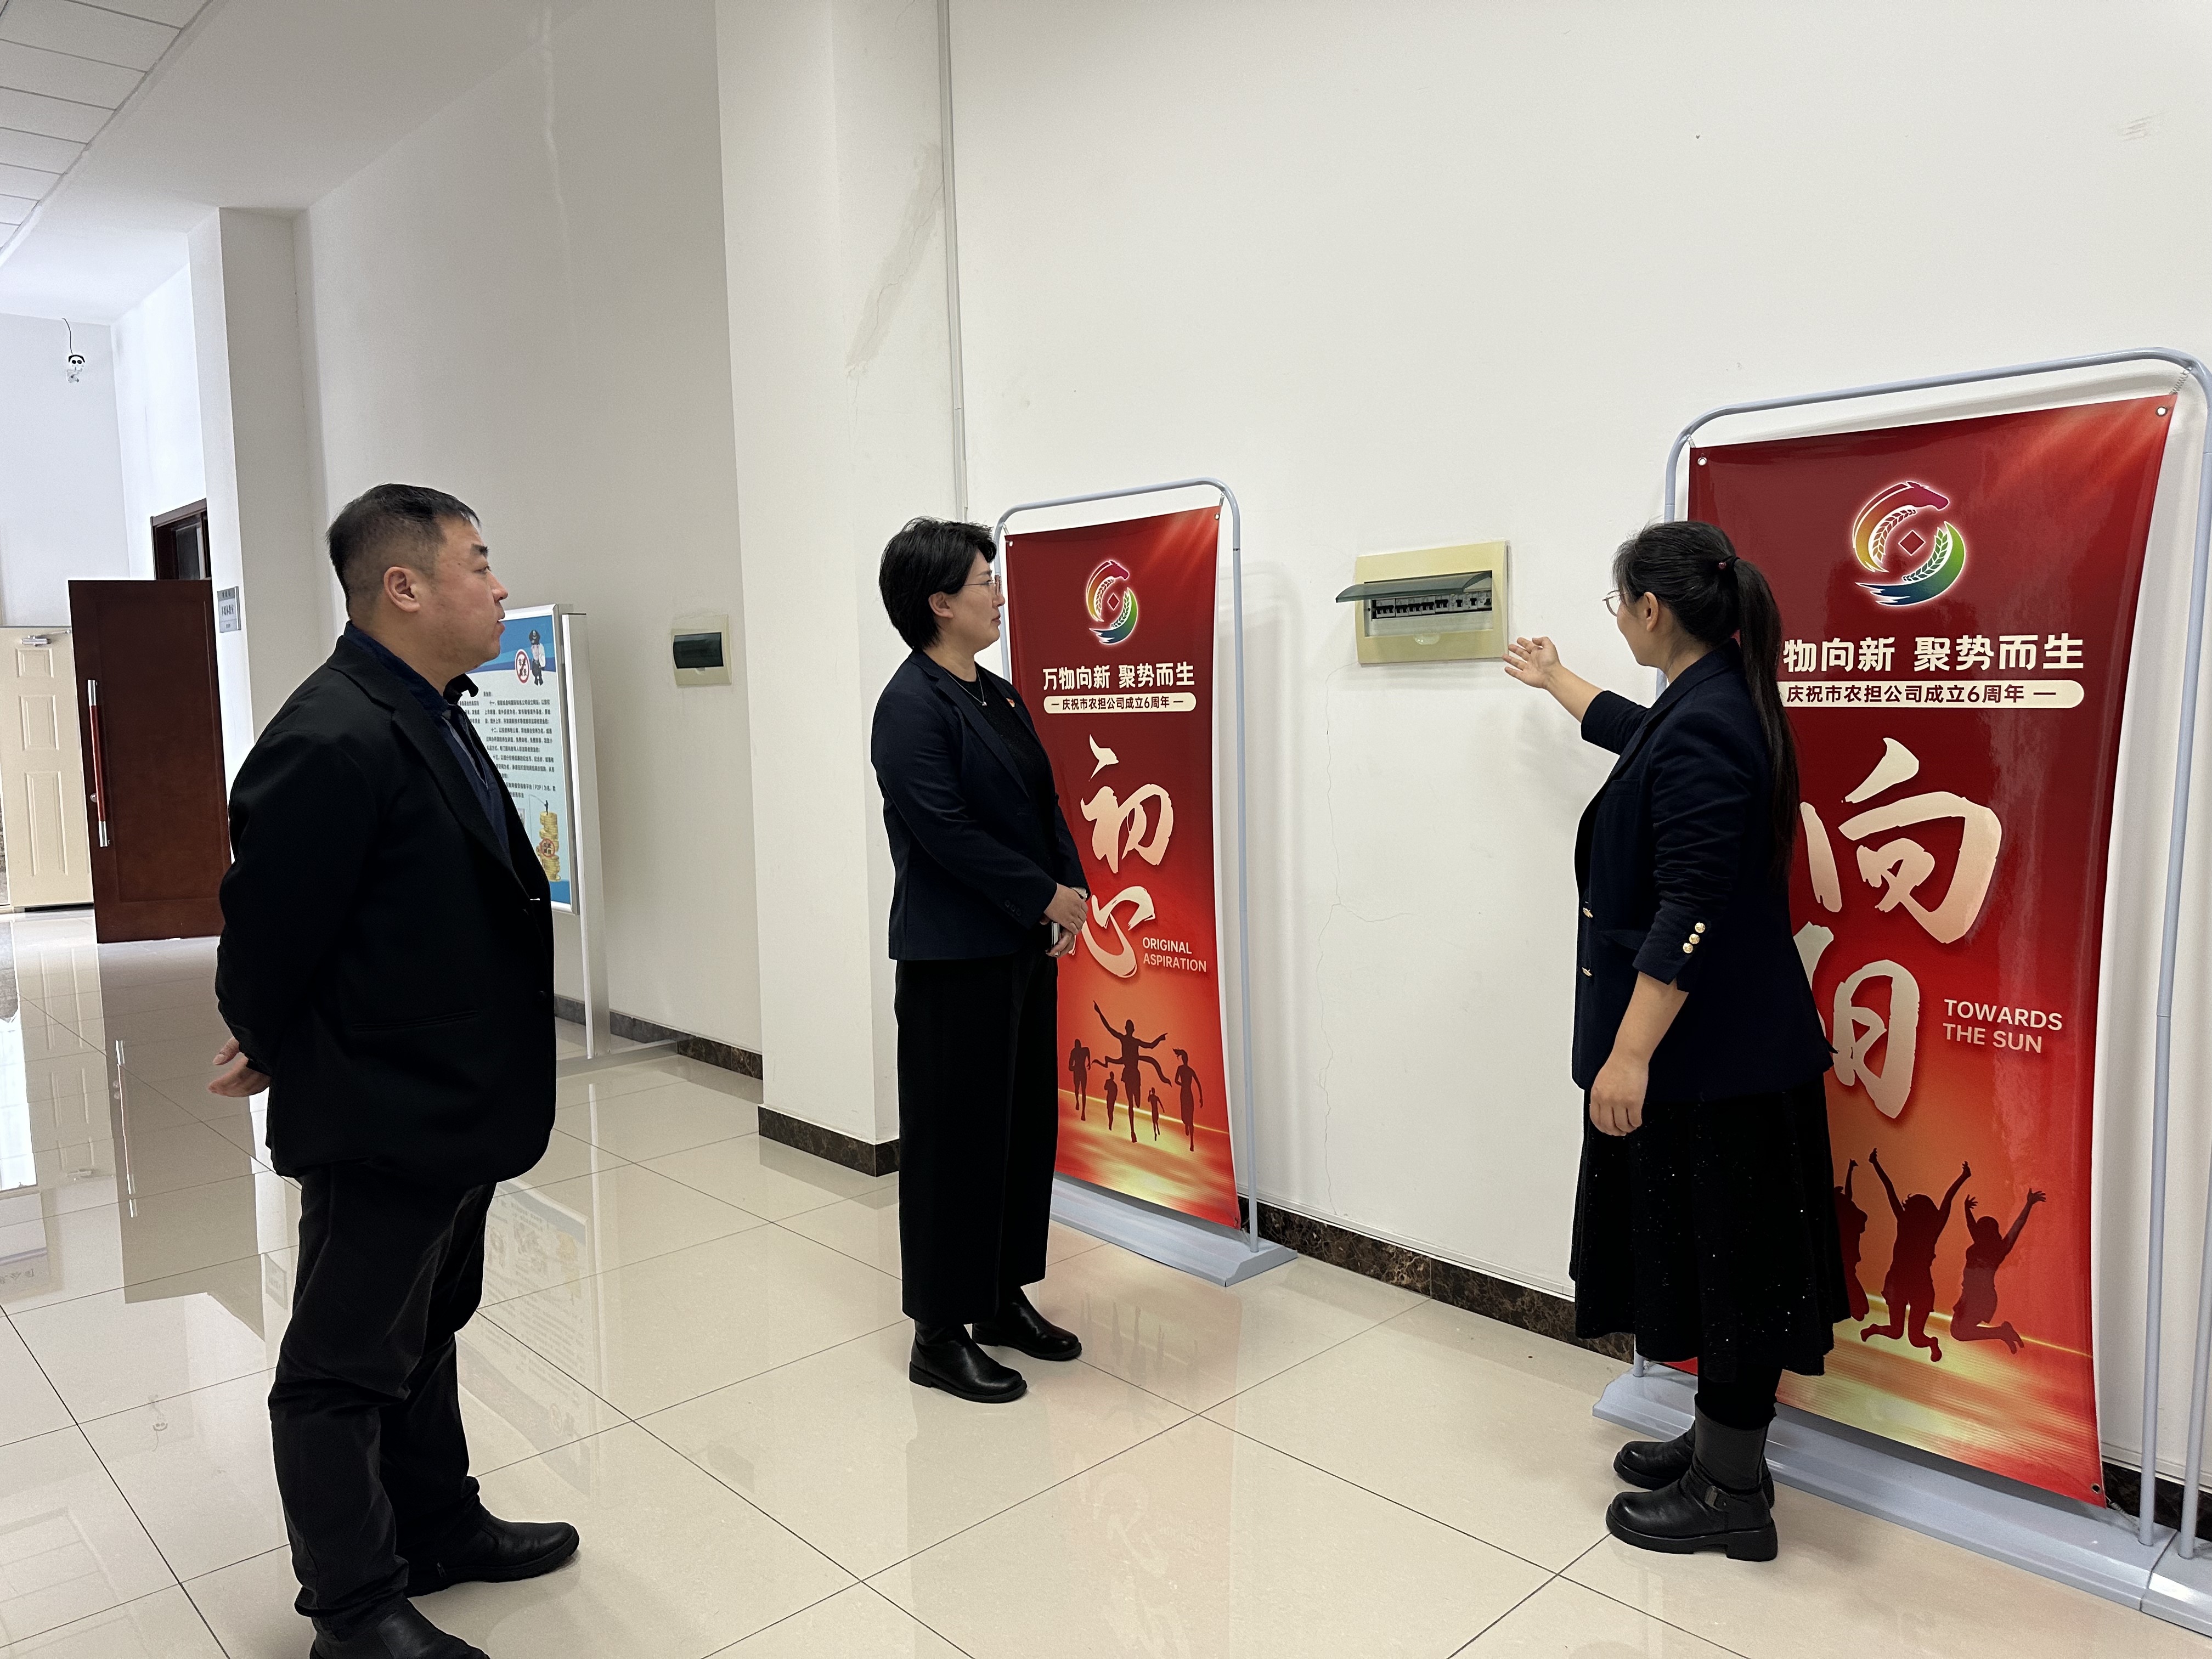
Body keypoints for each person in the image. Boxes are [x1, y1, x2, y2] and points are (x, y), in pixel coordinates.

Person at [212, 484, 578, 1659]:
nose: (500, 586)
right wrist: (267, 1036)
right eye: (479, 562)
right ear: (403, 585)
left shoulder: (429, 707)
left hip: (454, 1099)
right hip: (382, 1108)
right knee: (340, 1365)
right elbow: (266, 934)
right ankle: (355, 1606)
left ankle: (437, 1525)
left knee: (425, 1326)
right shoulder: (330, 735)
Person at [1504, 519, 1845, 1564]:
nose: (1619, 621)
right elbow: (1633, 732)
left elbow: (1690, 903)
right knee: (1713, 1258)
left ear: (1652, 609)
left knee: (1732, 1271)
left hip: (1713, 1061)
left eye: (1619, 606)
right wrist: (1556, 681)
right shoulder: (1710, 697)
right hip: (1722, 1051)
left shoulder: (1708, 721)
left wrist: (1629, 1053)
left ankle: (1731, 1492)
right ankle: (1718, 1446)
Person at [871, 516, 1090, 1405]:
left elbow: (1044, 801)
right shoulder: (910, 705)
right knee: (953, 1143)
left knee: (1019, 1129)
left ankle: (1000, 1295)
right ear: (940, 602)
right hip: (953, 958)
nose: (999, 594)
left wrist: (1069, 888)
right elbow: (945, 831)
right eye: (985, 581)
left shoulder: (995, 693)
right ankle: (938, 1330)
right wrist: (1041, 896)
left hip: (1019, 949)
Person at [1860, 1149, 1971, 1361]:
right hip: (1901, 1280)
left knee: (1914, 1337)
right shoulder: (1919, 1223)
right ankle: (1876, 1329)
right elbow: (1946, 1200)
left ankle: (1931, 1343)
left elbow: (1890, 1189)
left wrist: (1876, 1164)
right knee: (1898, 1332)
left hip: (1916, 1283)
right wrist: (1963, 1177)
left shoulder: (1920, 1224)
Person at [1951, 1187, 2045, 1352]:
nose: (1977, 1231)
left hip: (1980, 1297)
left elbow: (2018, 1226)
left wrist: (2029, 1204)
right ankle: (2002, 1332)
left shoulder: (1999, 1250)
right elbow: (1971, 1225)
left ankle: (2002, 1332)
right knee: (1958, 1331)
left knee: (1960, 1332)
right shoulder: (1982, 1244)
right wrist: (1967, 1210)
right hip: (1970, 1295)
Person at [1173, 1049, 1203, 1151]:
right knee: (1185, 1117)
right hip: (1185, 1094)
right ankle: (1186, 1124)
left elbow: (1198, 1083)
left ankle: (1192, 1143)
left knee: (1191, 1119)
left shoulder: (1188, 1070)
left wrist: (1201, 1098)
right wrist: (1183, 1085)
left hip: (1187, 1094)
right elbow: (1176, 1080)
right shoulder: (1182, 1069)